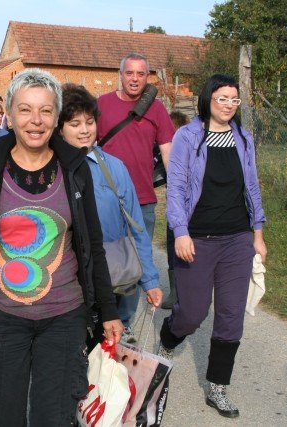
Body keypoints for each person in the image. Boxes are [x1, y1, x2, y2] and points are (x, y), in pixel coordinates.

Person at [0, 69, 124, 426]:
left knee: (54, 418)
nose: (35, 120)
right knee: (1, 418)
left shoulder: (75, 168)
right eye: (25, 109)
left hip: (64, 318)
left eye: (45, 110)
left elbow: (92, 246)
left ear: (56, 118)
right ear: (8, 115)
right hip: (2, 317)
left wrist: (109, 310)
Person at [158, 74, 267, 418]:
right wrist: (180, 232)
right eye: (222, 98)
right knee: (192, 313)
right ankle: (168, 340)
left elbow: (252, 187)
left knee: (231, 316)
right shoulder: (188, 137)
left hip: (237, 239)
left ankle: (218, 387)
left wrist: (258, 234)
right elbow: (176, 187)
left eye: (234, 99)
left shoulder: (243, 139)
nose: (229, 105)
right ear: (208, 100)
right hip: (197, 238)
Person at [58, 84, 163, 349]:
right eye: (75, 124)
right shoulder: (52, 169)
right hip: (63, 280)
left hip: (108, 277)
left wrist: (150, 280)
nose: (85, 130)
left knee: (101, 353)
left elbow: (136, 227)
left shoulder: (114, 167)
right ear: (59, 128)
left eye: (89, 122)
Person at [97, 52, 175, 342]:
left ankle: (125, 322)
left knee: (134, 264)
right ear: (120, 74)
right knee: (103, 259)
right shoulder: (102, 104)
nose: (134, 79)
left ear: (147, 77)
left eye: (141, 74)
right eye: (129, 73)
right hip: (105, 199)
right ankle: (100, 317)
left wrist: (177, 192)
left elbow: (168, 151)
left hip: (142, 199)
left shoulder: (156, 109)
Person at [161, 111, 191, 309]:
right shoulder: (166, 151)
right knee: (172, 244)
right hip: (174, 208)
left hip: (193, 208)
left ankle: (188, 290)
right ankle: (175, 291)